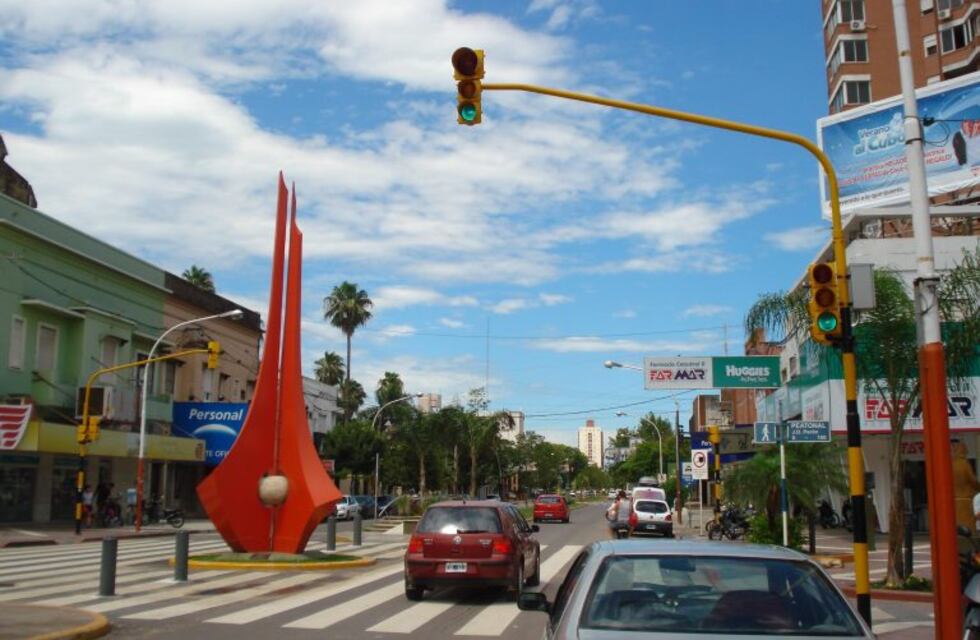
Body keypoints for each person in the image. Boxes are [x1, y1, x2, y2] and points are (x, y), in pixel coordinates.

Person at [953, 441, 980, 532]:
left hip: (954, 499)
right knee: (968, 525)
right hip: (965, 498)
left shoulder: (951, 463)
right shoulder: (964, 463)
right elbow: (972, 480)